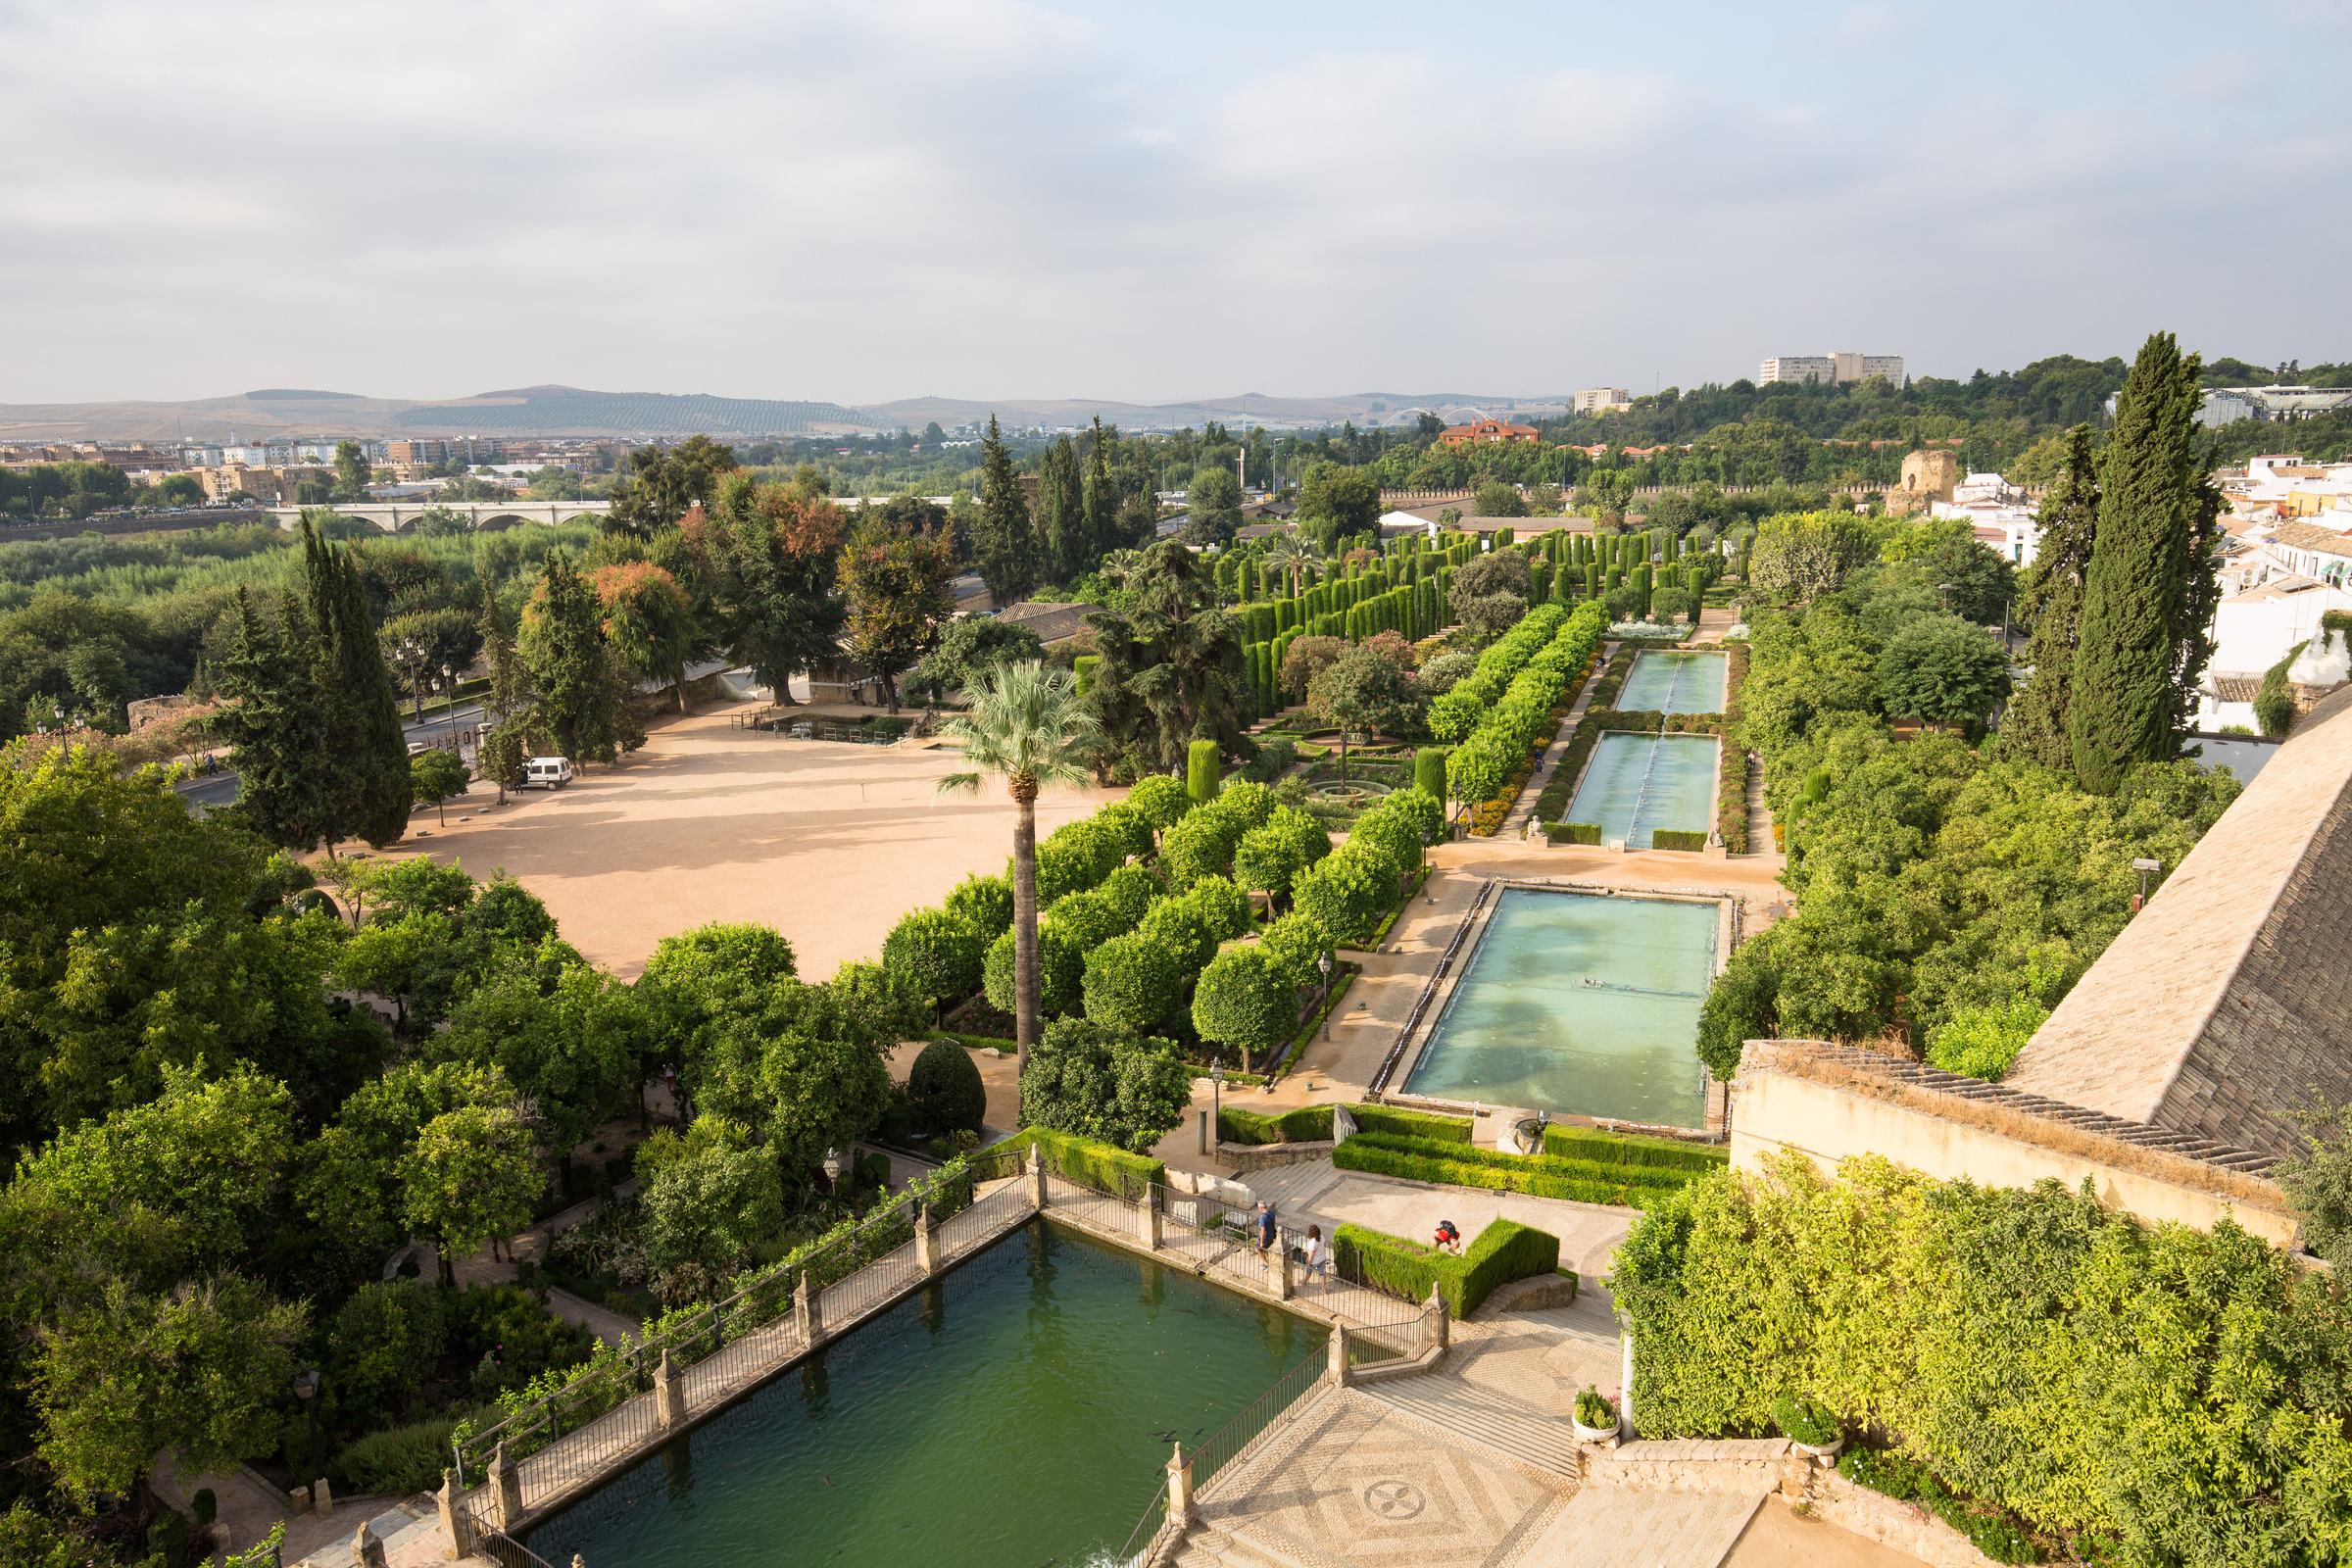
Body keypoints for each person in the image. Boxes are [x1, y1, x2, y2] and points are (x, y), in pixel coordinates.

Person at [1303, 1225, 1329, 1290]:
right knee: (1322, 1273)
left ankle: (1304, 1282)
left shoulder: (1313, 1242)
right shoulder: (1322, 1237)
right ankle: (1324, 1289)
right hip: (1322, 1258)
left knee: (1308, 1272)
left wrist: (1309, 1263)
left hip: (1314, 1261)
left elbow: (1311, 1254)